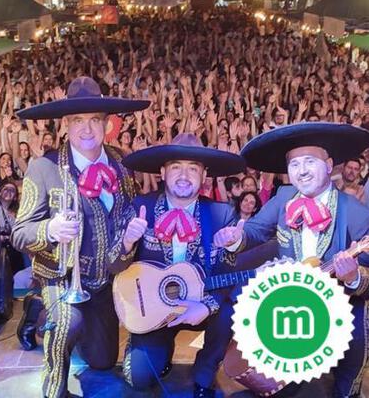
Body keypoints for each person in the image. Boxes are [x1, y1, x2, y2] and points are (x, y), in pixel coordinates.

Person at [11, 76, 150, 398]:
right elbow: (19, 233)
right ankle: (54, 387)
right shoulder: (43, 167)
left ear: (106, 124)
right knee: (66, 325)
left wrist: (130, 238)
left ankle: (51, 314)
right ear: (66, 124)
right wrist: (50, 229)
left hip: (104, 282)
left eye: (94, 120)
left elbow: (127, 216)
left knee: (103, 361)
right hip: (61, 278)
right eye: (77, 120)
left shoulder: (121, 163)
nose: (87, 129)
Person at [214, 122, 369, 398]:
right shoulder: (284, 196)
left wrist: (353, 276)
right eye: (294, 164)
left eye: (310, 161)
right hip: (291, 304)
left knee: (353, 348)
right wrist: (235, 238)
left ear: (329, 165)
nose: (302, 170)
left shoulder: (355, 212)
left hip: (339, 305)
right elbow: (255, 230)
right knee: (269, 383)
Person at [117, 133, 246, 397]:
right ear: (163, 172)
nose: (184, 175)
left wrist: (206, 306)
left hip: (200, 306)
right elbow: (114, 269)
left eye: (193, 168)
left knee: (227, 312)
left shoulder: (221, 213)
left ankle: (204, 372)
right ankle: (158, 349)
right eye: (176, 167)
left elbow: (227, 271)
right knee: (139, 378)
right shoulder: (141, 207)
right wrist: (127, 243)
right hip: (155, 309)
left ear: (204, 175)